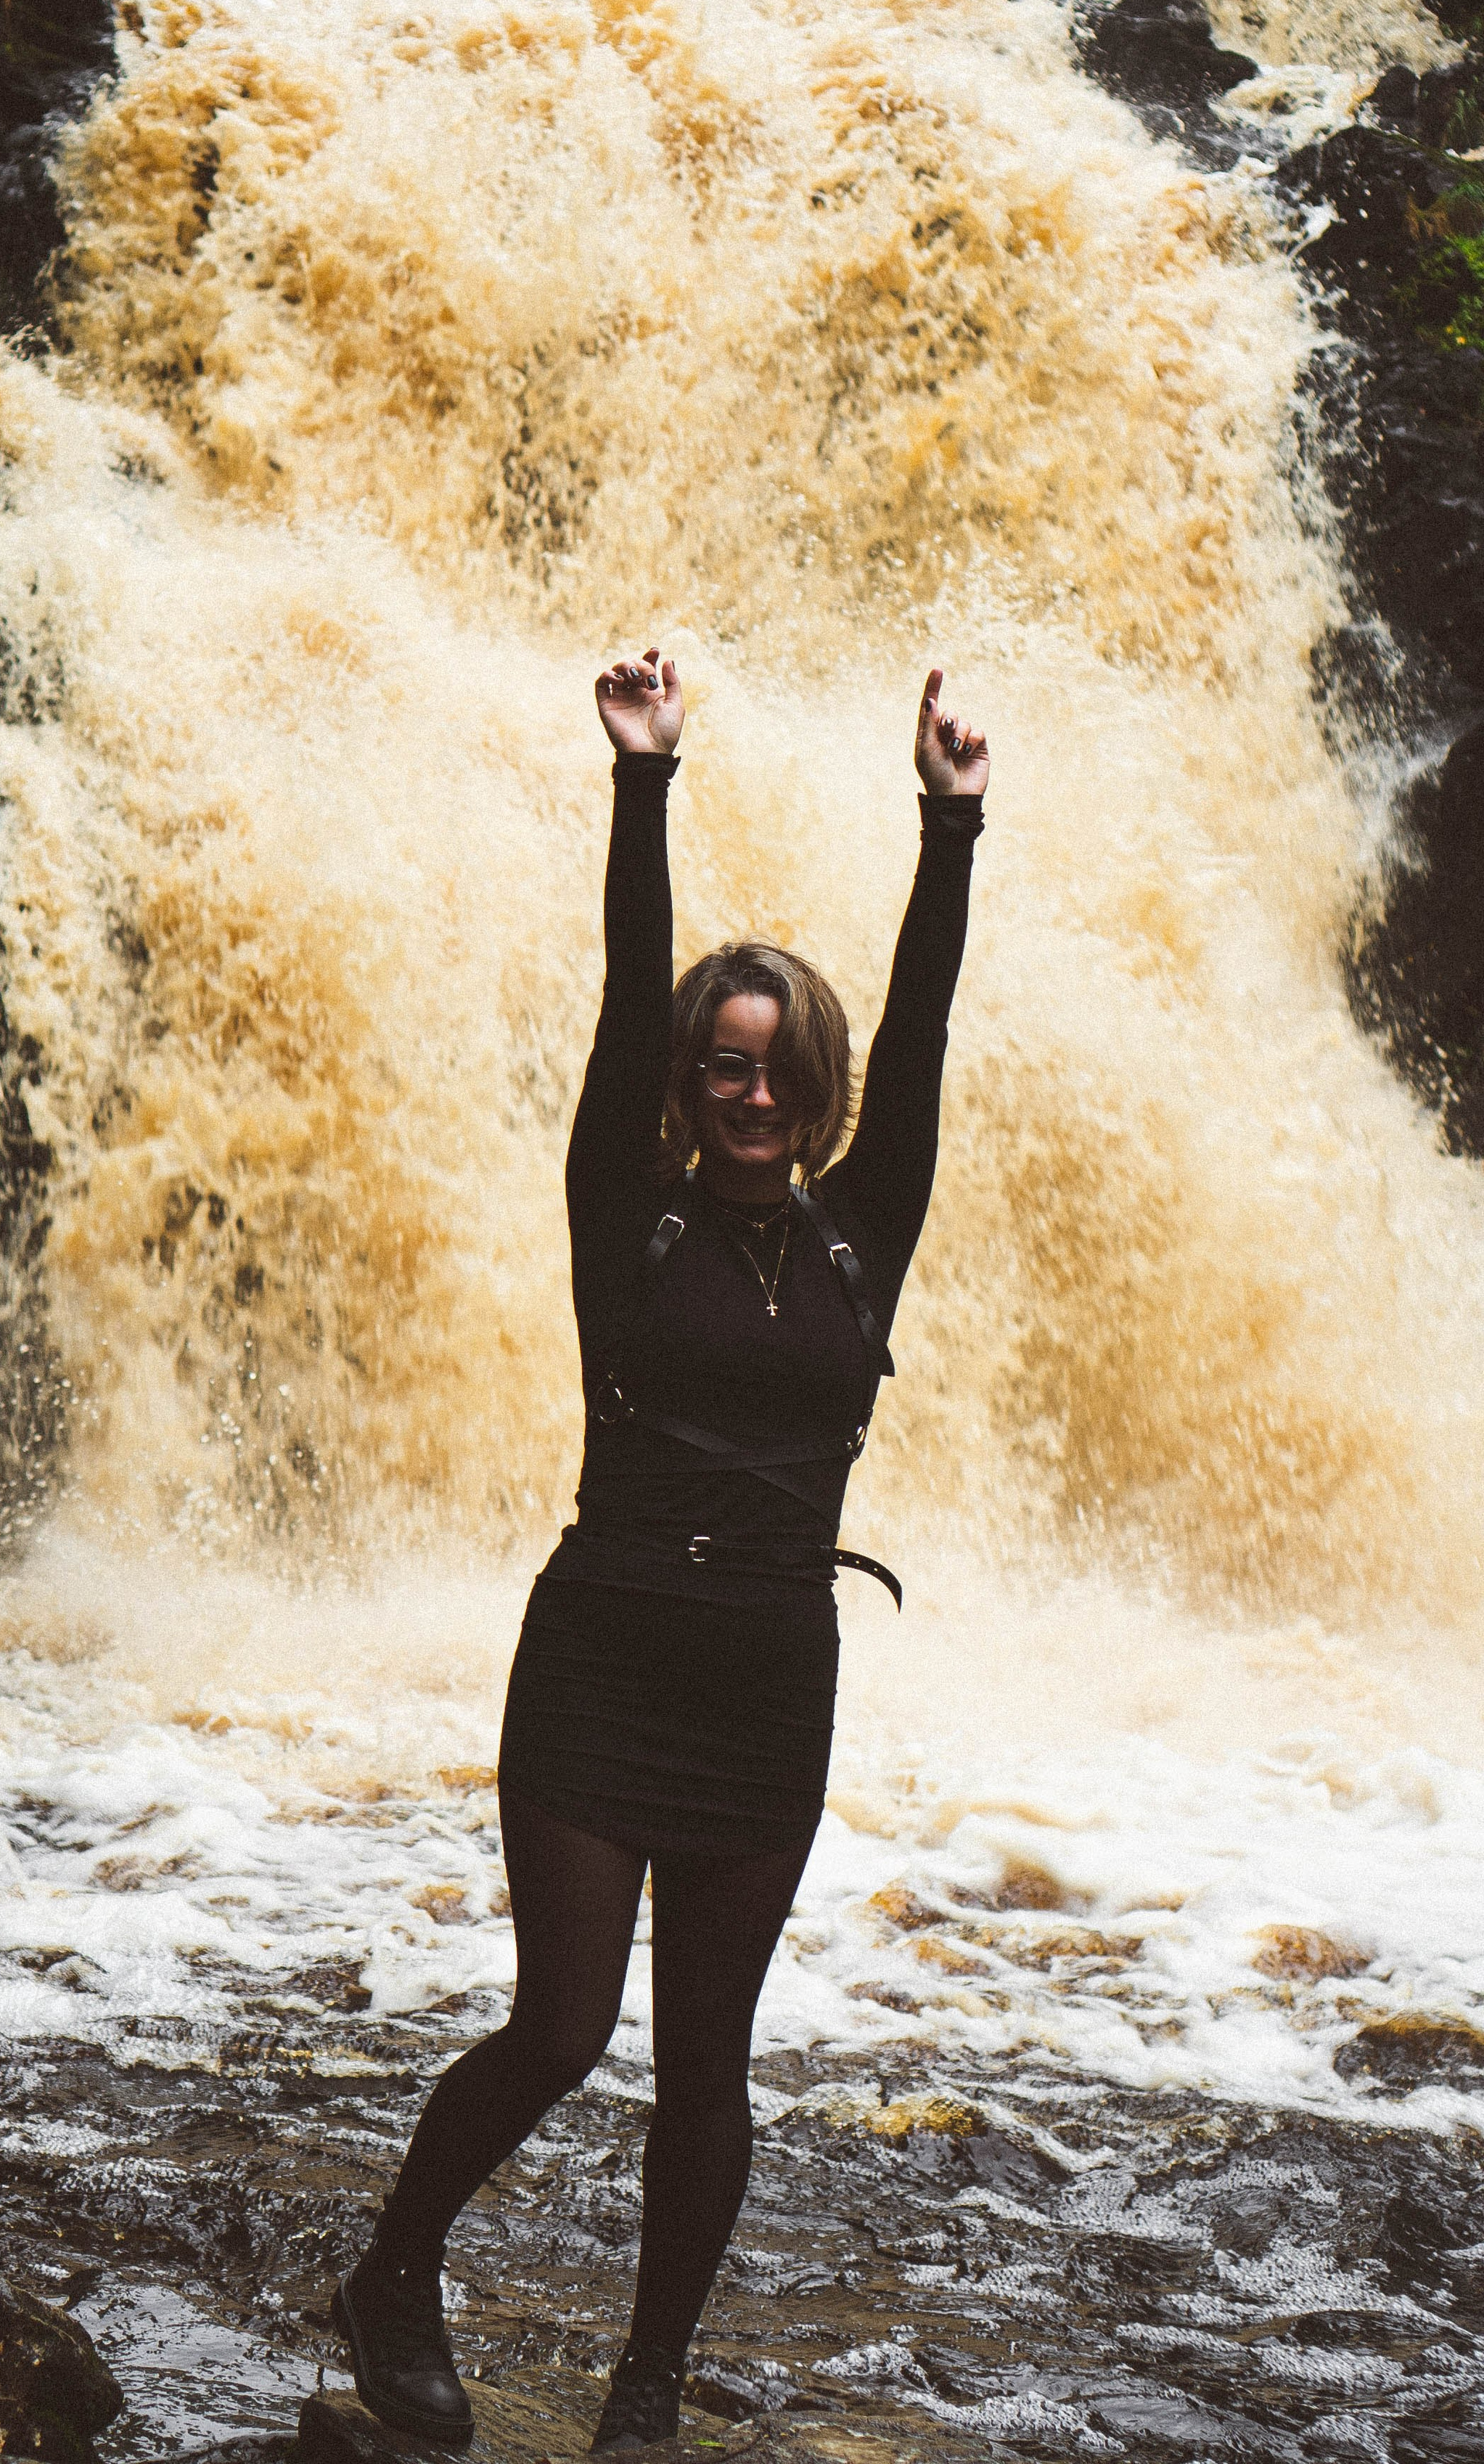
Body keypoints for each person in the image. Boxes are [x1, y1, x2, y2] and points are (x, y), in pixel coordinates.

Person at [332, 652, 988, 2452]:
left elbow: (925, 1029)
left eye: (775, 1072)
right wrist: (644, 784)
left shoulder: (865, 1227)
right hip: (606, 1651)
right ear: (691, 1083)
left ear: (819, 1085)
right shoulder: (622, 1215)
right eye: (723, 1068)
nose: (746, 1096)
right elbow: (630, 1002)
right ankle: (393, 2271)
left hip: (768, 1674)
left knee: (708, 2062)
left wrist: (949, 825)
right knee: (560, 2027)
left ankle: (643, 2400)